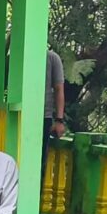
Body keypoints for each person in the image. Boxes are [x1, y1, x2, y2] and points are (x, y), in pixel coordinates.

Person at [41, 48, 67, 179]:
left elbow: (59, 89)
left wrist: (59, 120)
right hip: (21, 115)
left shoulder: (51, 58)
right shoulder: (19, 56)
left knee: (39, 162)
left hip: (43, 117)